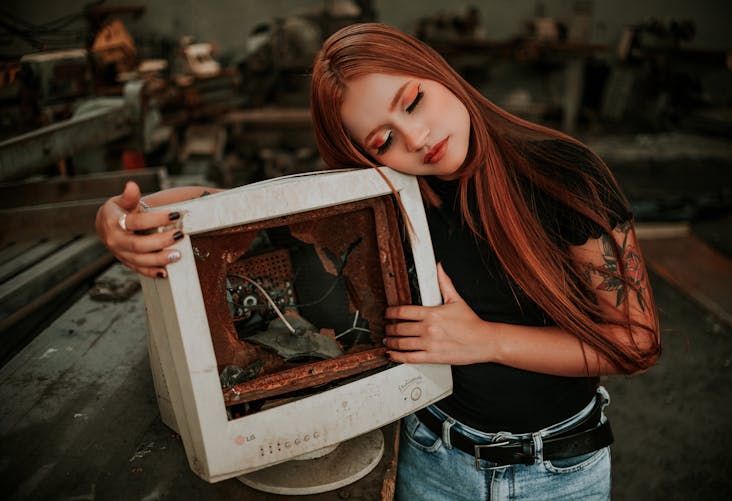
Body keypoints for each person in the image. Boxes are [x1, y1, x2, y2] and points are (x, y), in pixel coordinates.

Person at [96, 22, 660, 501]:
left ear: (436, 71)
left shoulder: (564, 174)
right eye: (383, 138)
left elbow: (636, 343)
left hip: (560, 471)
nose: (416, 139)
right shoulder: (390, 198)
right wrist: (117, 223)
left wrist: (484, 340)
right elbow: (226, 204)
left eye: (413, 101)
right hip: (430, 459)